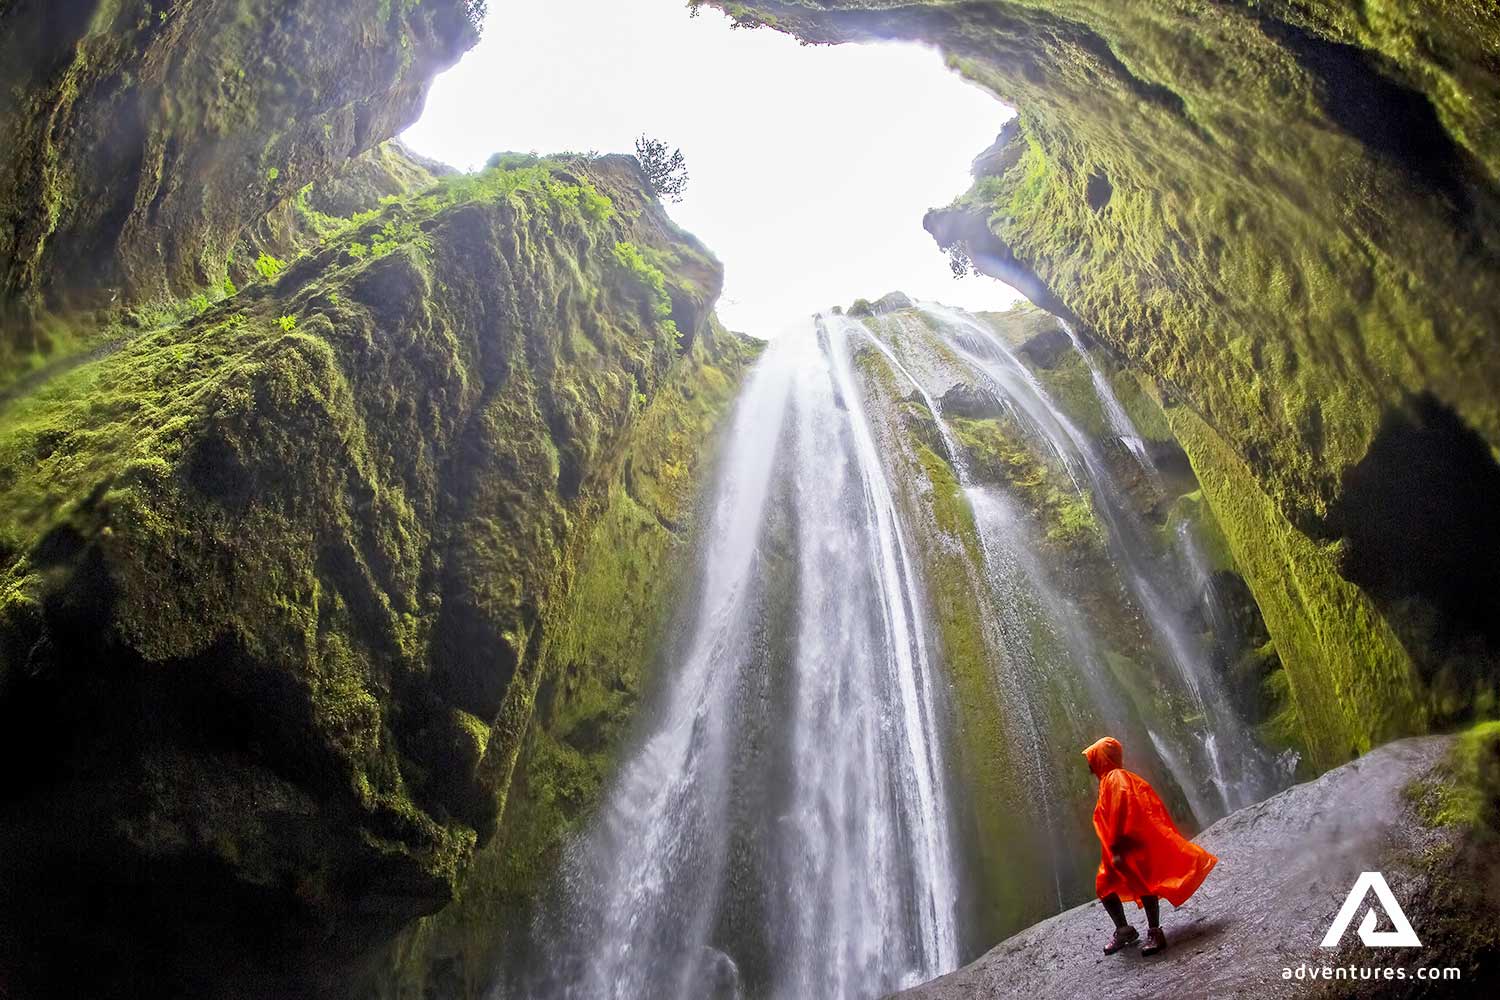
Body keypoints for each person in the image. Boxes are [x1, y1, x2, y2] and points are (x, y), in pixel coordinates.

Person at [1083, 736, 1217, 957]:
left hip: (1126, 843)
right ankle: (1124, 930)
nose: (1089, 762)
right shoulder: (1109, 779)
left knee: (1144, 883)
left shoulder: (1116, 778)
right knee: (1105, 885)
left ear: (1102, 757)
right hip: (1117, 844)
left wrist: (1117, 846)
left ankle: (1155, 932)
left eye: (1092, 756)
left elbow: (1120, 810)